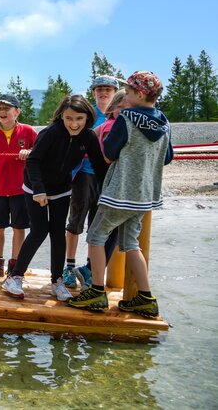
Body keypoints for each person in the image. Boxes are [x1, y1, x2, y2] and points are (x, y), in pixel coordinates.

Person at [68, 71, 173, 317]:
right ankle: (146, 298)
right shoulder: (164, 122)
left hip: (119, 192)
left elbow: (109, 154)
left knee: (95, 236)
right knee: (131, 244)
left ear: (138, 93)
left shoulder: (126, 118)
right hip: (145, 196)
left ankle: (95, 292)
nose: (123, 94)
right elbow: (167, 157)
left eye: (127, 91)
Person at [1, 95, 107, 301]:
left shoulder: (88, 137)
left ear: (87, 118)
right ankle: (14, 277)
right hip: (35, 188)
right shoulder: (50, 133)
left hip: (61, 188)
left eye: (79, 119)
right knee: (39, 231)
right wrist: (39, 190)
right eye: (69, 118)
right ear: (61, 116)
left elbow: (99, 166)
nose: (74, 124)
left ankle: (57, 281)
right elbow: (33, 162)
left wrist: (108, 190)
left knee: (58, 233)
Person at [63, 75, 120, 289]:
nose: (103, 93)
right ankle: (69, 266)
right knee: (75, 221)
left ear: (115, 93)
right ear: (93, 92)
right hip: (83, 174)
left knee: (97, 225)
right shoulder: (88, 114)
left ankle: (89, 268)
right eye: (99, 89)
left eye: (108, 89)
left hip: (106, 177)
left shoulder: (118, 115)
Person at [0, 94, 36, 279]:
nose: (2, 112)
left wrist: (30, 152)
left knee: (19, 227)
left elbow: (41, 152)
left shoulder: (28, 131)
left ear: (17, 112)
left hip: (21, 189)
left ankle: (15, 264)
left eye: (7, 108)